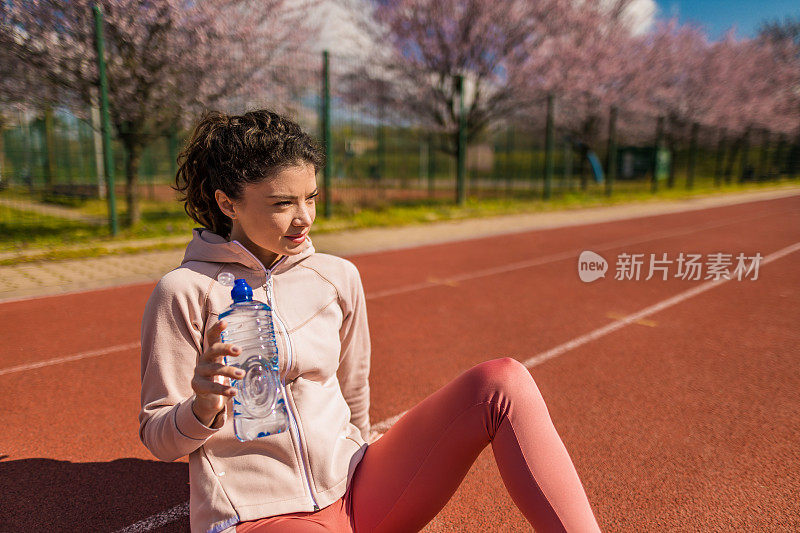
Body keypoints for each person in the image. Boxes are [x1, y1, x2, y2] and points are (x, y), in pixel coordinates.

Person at [139, 109, 601, 533]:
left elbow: (353, 386)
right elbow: (158, 437)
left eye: (311, 198)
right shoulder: (184, 291)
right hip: (260, 515)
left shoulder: (336, 277)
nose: (304, 219)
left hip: (358, 486)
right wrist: (202, 407)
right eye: (282, 204)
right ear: (228, 203)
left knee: (503, 383)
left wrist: (365, 454)